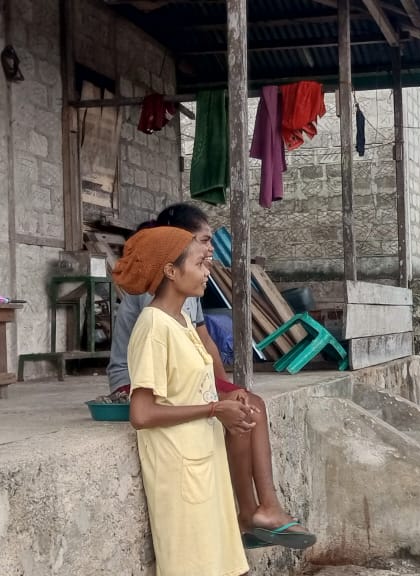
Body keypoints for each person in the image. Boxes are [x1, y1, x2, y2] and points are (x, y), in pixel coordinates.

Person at [107, 202, 315, 549]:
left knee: (249, 402)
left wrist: (226, 387)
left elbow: (204, 344)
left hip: (179, 377)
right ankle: (251, 512)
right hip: (141, 380)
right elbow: (146, 402)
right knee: (238, 408)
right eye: (203, 242)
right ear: (176, 253)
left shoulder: (190, 288)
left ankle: (263, 509)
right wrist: (216, 404)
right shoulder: (157, 300)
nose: (210, 253)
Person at [115, 226, 251, 576]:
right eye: (200, 263)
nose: (207, 272)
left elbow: (186, 388)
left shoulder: (183, 321)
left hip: (204, 461)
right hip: (178, 472)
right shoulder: (153, 327)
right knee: (193, 566)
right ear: (171, 271)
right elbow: (141, 413)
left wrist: (225, 399)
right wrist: (213, 409)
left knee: (220, 564)